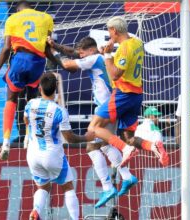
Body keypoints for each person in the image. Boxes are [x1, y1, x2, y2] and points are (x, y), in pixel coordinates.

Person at [47, 36, 137, 208]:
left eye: (82, 54)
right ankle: (126, 176)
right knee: (104, 145)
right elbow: (74, 52)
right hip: (114, 103)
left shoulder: (95, 58)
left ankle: (108, 186)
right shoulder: (101, 57)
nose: (80, 57)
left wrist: (51, 53)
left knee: (91, 145)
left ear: (90, 49)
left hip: (105, 106)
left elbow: (68, 65)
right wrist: (56, 46)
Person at [87, 17, 169, 168]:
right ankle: (153, 146)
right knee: (129, 137)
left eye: (109, 31)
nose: (109, 35)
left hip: (122, 94)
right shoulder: (137, 42)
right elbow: (123, 59)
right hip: (136, 96)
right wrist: (109, 53)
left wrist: (107, 55)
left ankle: (126, 150)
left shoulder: (124, 48)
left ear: (114, 30)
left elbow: (115, 74)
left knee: (93, 128)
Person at [0, 0, 56, 160]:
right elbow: (48, 47)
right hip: (38, 63)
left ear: (18, 10)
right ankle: (28, 136)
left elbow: (6, 48)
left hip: (20, 60)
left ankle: (5, 142)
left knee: (11, 99)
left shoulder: (12, 19)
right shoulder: (46, 18)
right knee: (31, 99)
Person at [24, 73, 95, 220]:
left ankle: (36, 211)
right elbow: (69, 138)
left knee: (43, 187)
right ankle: (76, 218)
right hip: (52, 154)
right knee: (68, 187)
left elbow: (25, 120)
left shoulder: (30, 104)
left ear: (39, 88)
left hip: (33, 154)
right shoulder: (59, 111)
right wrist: (86, 137)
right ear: (56, 89)